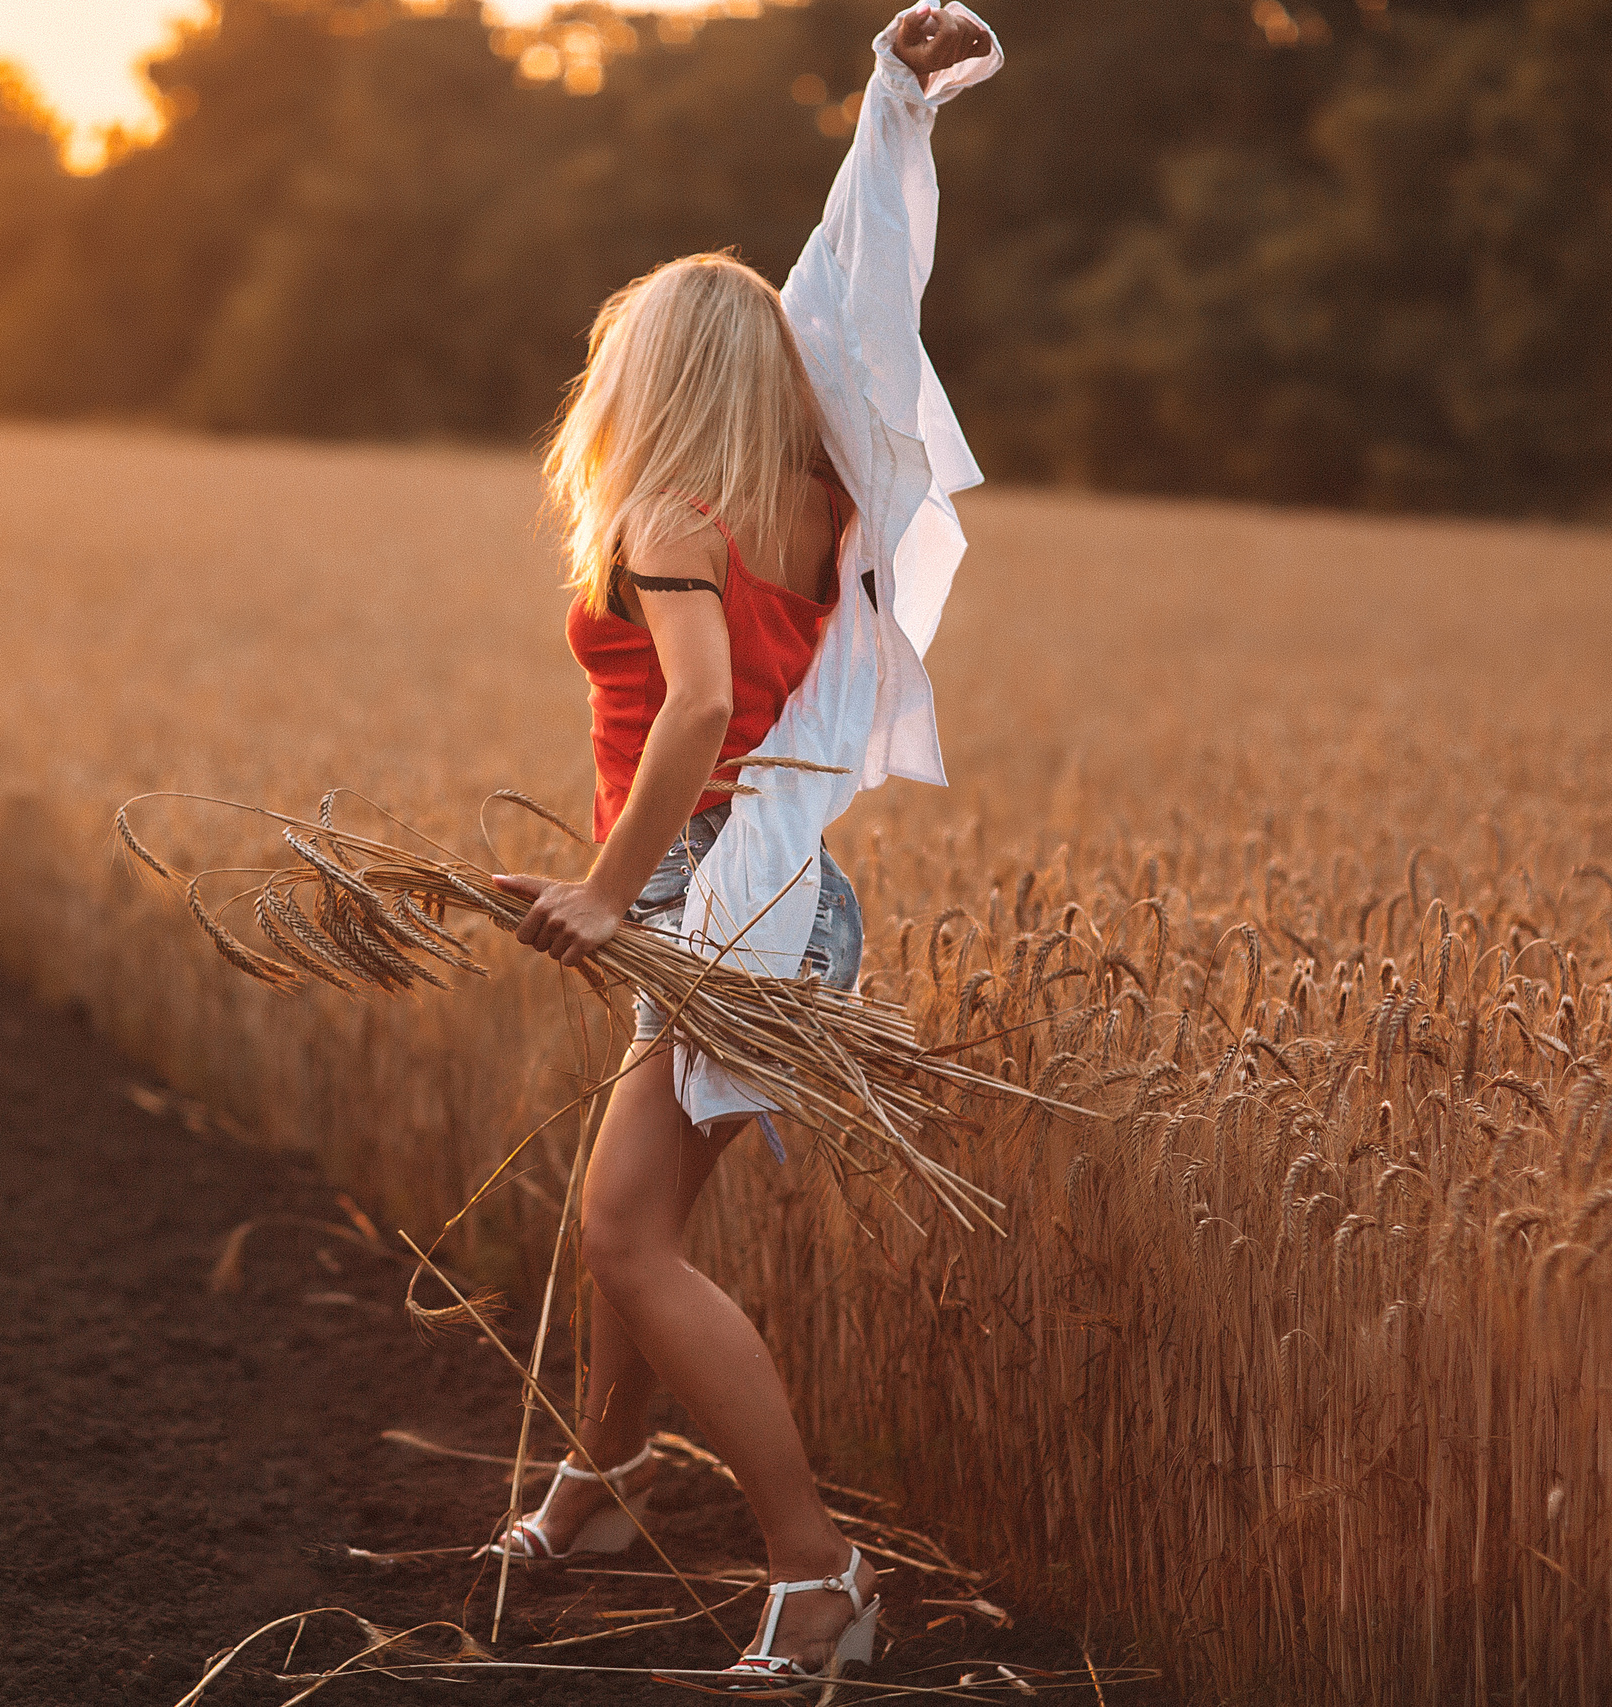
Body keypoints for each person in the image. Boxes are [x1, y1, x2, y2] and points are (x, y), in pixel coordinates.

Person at [485, 3, 1000, 1691]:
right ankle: (604, 1481)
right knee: (620, 1219)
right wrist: (895, 98)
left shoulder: (663, 518)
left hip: (730, 892)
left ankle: (819, 1573)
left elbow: (698, 713)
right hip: (776, 893)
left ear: (643, 382)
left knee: (627, 1236)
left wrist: (601, 895)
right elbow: (857, 285)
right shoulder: (808, 499)